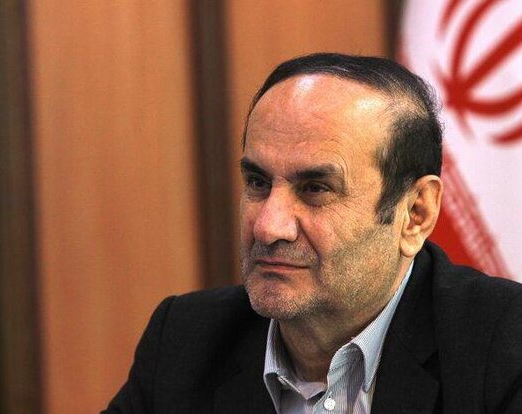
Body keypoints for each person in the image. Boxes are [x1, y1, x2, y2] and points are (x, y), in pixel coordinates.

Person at [102, 53, 522, 414]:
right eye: (258, 183)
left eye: (315, 189)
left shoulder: (504, 348)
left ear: (415, 214)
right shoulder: (184, 342)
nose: (268, 226)